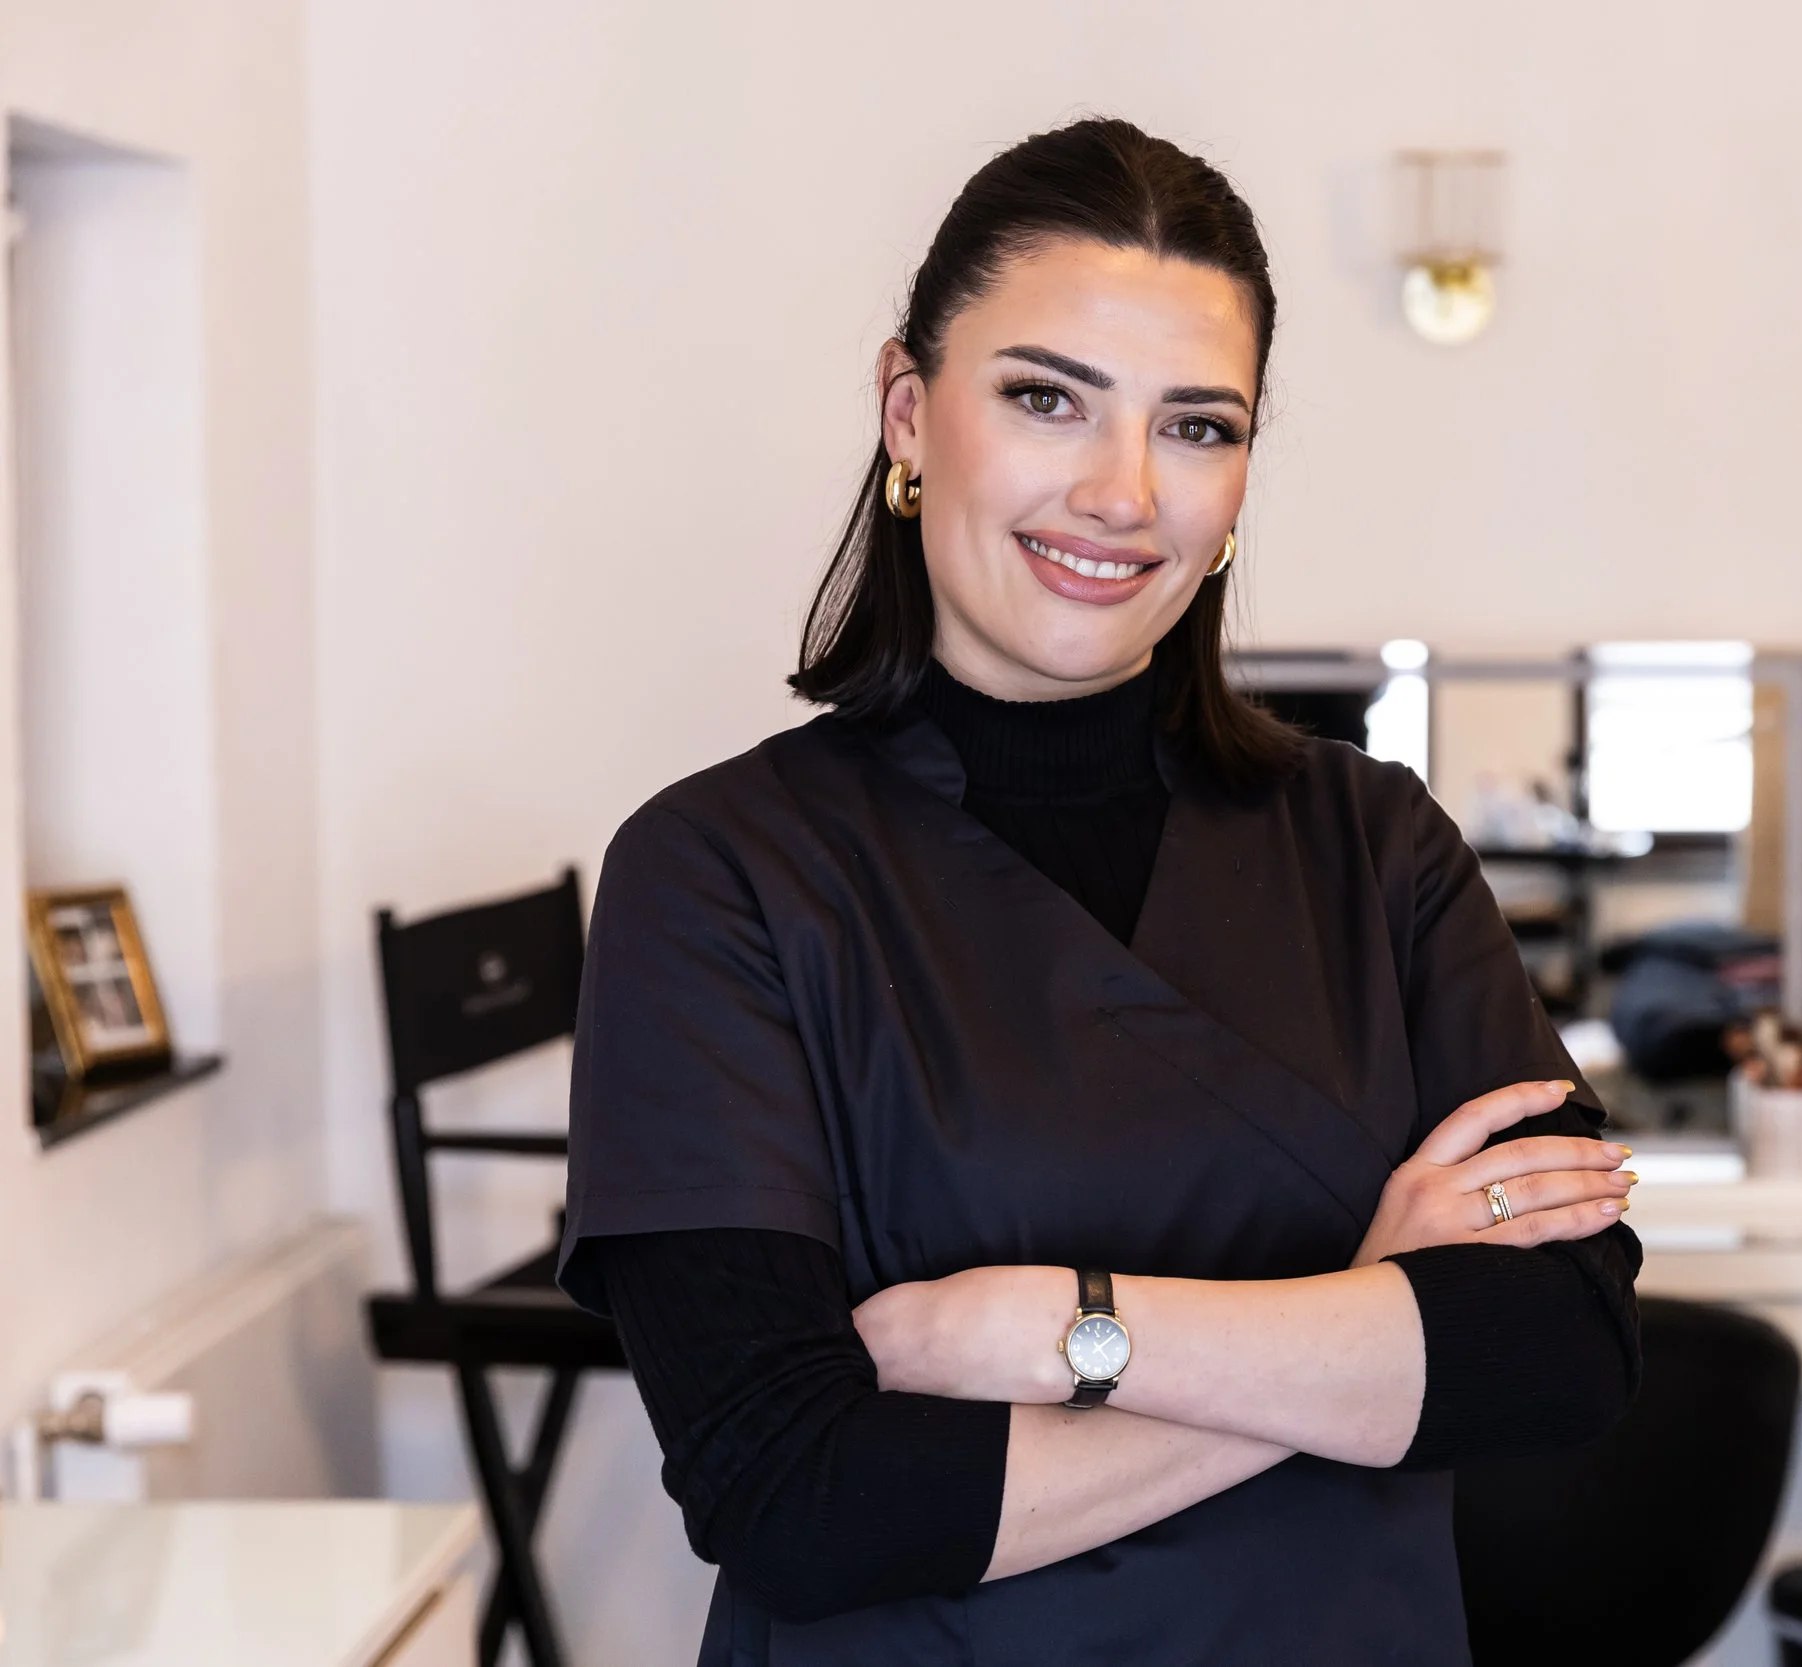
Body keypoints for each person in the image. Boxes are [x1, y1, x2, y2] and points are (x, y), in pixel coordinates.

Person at [557, 116, 1644, 1666]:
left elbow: (1564, 1343)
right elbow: (796, 1491)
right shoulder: (721, 874)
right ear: (909, 411)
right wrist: (1366, 1311)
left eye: (1196, 426)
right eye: (1047, 398)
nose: (1123, 490)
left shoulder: (1377, 847)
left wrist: (1052, 1329)